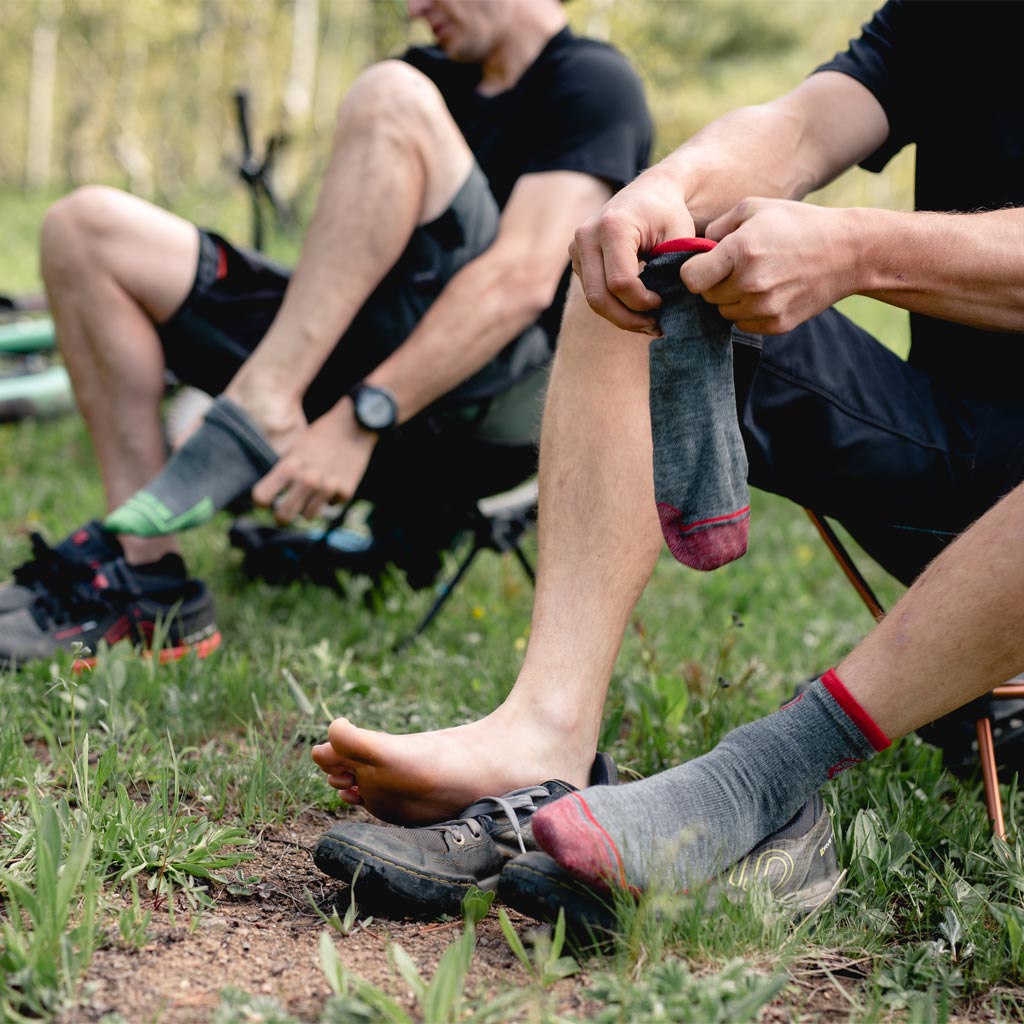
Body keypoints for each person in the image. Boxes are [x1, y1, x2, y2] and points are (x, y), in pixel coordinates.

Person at [310, 0, 1024, 841]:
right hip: (950, 453)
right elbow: (798, 127)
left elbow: (861, 239)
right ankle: (545, 729)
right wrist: (663, 188)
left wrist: (860, 248)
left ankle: (772, 769)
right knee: (643, 278)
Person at [0, 0, 651, 668]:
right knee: (84, 230)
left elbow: (520, 281)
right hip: (355, 357)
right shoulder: (432, 72)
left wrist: (359, 418)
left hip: (485, 410)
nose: (414, 8)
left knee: (391, 96)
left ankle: (262, 406)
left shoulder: (591, 81)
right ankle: (145, 582)